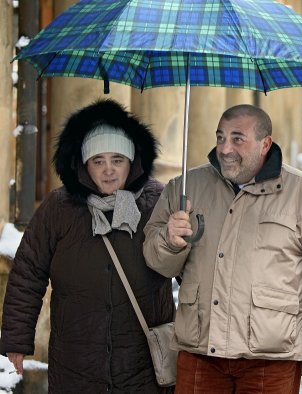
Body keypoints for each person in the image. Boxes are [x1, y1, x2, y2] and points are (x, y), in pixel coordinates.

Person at [143, 104, 302, 393]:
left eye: (237, 138)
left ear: (265, 143)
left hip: (271, 354)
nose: (225, 148)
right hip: (201, 350)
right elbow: (158, 264)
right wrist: (170, 240)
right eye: (220, 137)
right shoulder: (184, 188)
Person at [0, 99, 175, 393]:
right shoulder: (59, 207)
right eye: (98, 161)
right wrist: (17, 340)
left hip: (143, 364)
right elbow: (27, 274)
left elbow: (194, 273)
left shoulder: (159, 202)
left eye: (117, 160)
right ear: (83, 164)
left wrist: (182, 236)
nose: (108, 170)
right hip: (76, 361)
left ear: (132, 161)